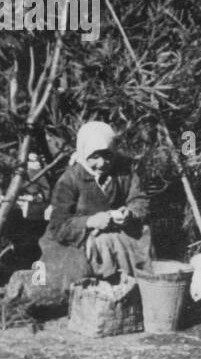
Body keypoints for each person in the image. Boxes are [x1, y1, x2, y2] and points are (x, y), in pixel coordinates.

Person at [38, 121, 152, 292]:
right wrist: (90, 221)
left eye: (108, 155)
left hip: (116, 231)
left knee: (141, 235)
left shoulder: (124, 170)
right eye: (95, 157)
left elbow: (139, 199)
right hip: (75, 240)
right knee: (94, 254)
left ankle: (136, 287)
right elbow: (58, 226)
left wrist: (129, 213)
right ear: (84, 152)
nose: (102, 163)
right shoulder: (70, 179)